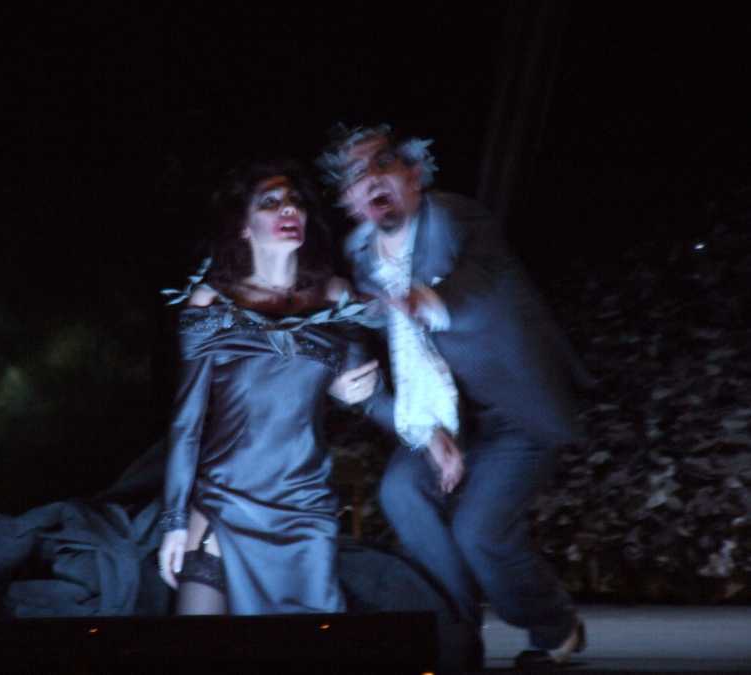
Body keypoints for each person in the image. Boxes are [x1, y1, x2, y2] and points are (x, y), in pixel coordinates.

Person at [318, 124, 591, 667]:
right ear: (349, 200)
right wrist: (355, 390)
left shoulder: (451, 218)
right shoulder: (360, 254)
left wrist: (421, 300)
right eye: (356, 176)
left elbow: (479, 279)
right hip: (444, 415)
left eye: (383, 165)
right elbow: (366, 350)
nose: (371, 180)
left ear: (414, 174)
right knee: (401, 490)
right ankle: (456, 630)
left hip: (515, 408)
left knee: (479, 531)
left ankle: (554, 626)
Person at [157, 159, 379, 616]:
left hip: (304, 508)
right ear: (244, 226)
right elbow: (187, 421)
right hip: (226, 501)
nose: (288, 209)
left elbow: (362, 385)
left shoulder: (337, 295)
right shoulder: (211, 303)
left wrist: (357, 394)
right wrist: (174, 520)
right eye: (270, 202)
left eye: (295, 201)